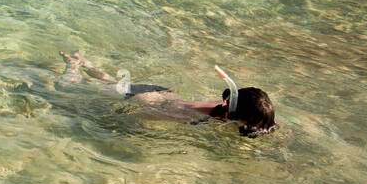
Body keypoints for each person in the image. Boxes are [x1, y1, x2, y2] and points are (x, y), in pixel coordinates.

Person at [59, 51, 277, 137]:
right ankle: (74, 67)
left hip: (159, 91)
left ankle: (85, 62)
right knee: (68, 88)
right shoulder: (193, 115)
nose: (251, 131)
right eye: (250, 126)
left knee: (112, 82)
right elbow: (140, 114)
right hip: (142, 99)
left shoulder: (222, 109)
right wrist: (133, 131)